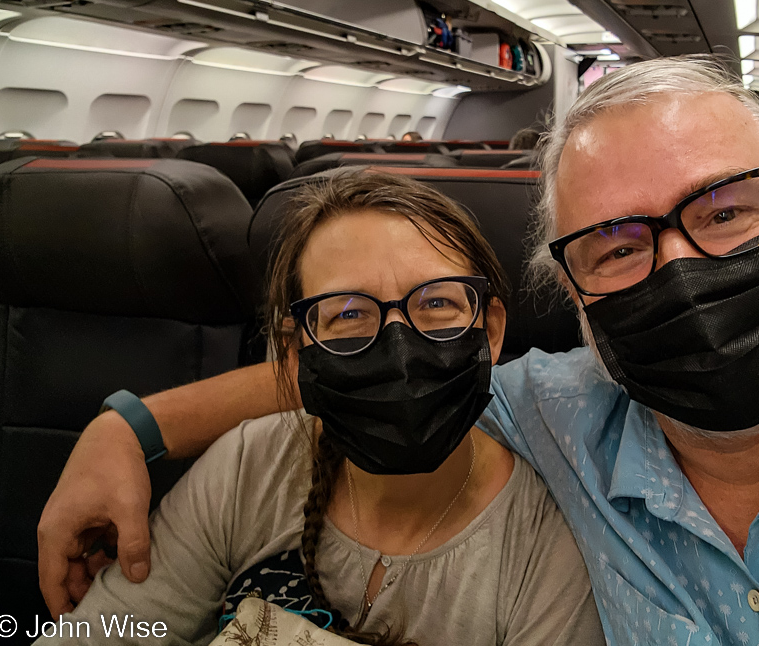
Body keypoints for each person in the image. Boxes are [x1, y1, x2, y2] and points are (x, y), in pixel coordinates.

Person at [39, 56, 759, 645]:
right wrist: (131, 428)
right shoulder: (561, 409)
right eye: (620, 247)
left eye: (726, 213)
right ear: (577, 295)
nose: (681, 270)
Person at [34, 171, 603, 645]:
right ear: (296, 350)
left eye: (437, 302)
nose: (399, 346)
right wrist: (123, 430)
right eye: (348, 313)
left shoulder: (543, 544)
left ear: (492, 329)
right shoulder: (248, 467)